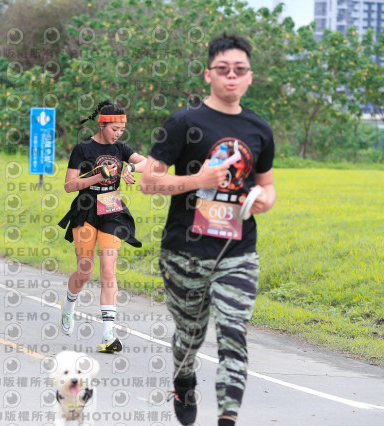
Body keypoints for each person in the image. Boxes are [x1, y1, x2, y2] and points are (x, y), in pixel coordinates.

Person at [140, 33, 276, 426]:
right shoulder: (183, 122)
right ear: (208, 74)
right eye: (223, 69)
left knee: (234, 333)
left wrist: (265, 200)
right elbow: (148, 182)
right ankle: (183, 379)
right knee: (191, 334)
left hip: (238, 250)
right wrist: (198, 179)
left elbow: (267, 185)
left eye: (239, 70)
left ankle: (227, 419)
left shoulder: (259, 129)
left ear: (249, 77)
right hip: (185, 250)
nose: (231, 76)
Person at [58, 100, 147, 353]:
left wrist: (130, 167)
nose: (118, 134)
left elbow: (151, 163)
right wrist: (98, 176)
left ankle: (108, 335)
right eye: (114, 129)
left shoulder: (121, 148)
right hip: (85, 208)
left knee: (108, 270)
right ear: (102, 124)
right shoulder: (83, 148)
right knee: (85, 270)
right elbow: (69, 186)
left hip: (111, 209)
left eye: (121, 130)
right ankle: (69, 305)